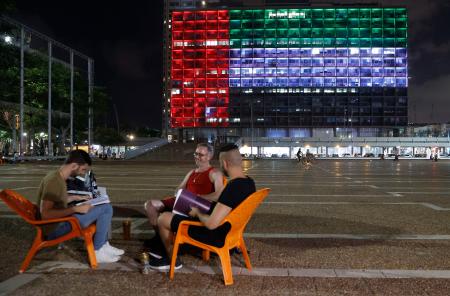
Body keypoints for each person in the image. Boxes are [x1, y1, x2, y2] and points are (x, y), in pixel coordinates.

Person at [149, 143, 256, 270]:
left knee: (164, 218)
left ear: (225, 164)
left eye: (221, 164)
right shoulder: (249, 182)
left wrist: (197, 213)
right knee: (174, 212)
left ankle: (171, 259)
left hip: (216, 235)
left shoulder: (232, 188)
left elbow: (211, 224)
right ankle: (161, 244)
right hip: (232, 230)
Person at [37, 149, 124, 263]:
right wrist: (75, 208)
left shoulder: (57, 176)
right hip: (55, 229)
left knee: (103, 204)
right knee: (106, 208)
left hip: (61, 222)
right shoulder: (54, 181)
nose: (83, 173)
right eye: (83, 169)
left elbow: (57, 201)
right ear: (74, 166)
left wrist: (74, 198)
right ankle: (98, 250)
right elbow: (45, 214)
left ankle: (103, 245)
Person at [143, 143, 225, 251]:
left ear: (209, 156)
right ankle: (159, 237)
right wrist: (179, 192)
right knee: (150, 205)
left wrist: (199, 197)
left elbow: (219, 194)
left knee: (165, 216)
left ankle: (166, 242)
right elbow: (179, 188)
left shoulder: (215, 173)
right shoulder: (192, 172)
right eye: (196, 153)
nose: (197, 156)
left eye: (201, 155)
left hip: (195, 205)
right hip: (182, 200)